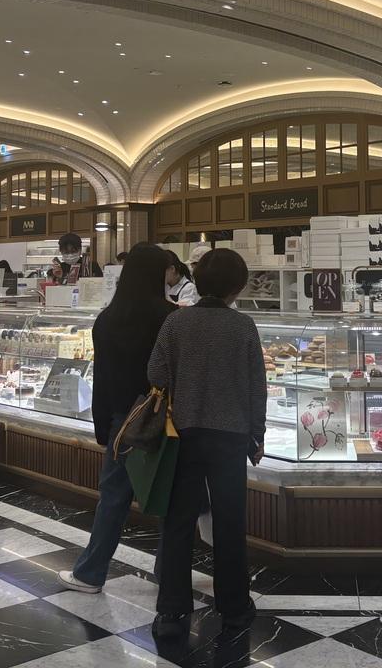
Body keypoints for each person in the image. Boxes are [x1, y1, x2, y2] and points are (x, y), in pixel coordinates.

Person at [148, 249, 266, 639]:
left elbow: (155, 372)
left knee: (178, 521)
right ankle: (234, 607)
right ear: (238, 287)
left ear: (197, 282)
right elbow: (257, 386)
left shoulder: (176, 322)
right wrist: (257, 434)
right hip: (231, 436)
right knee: (229, 522)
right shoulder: (243, 325)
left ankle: (171, 609)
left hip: (183, 434)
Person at [60, 246, 178, 593]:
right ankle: (168, 574)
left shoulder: (107, 319)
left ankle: (90, 573)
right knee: (170, 496)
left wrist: (103, 426)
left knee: (113, 497)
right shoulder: (171, 316)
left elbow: (103, 379)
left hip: (124, 421)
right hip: (165, 418)